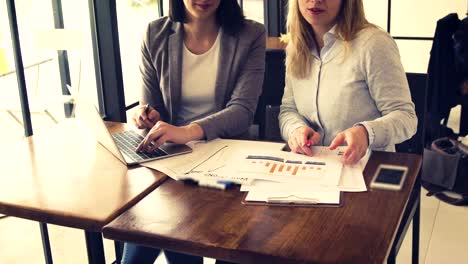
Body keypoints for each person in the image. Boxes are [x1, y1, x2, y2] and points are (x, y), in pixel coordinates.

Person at [124, 0, 265, 263]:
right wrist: (147, 115)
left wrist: (187, 131)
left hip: (228, 159)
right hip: (174, 160)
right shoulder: (155, 34)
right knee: (144, 244)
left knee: (225, 246)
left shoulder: (250, 34)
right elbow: (153, 106)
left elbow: (242, 111)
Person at [279, 0, 417, 164]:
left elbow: (406, 118)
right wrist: (295, 130)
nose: (316, 0)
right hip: (311, 166)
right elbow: (288, 109)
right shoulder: (296, 46)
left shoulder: (373, 43)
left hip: (365, 168)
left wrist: (366, 133)